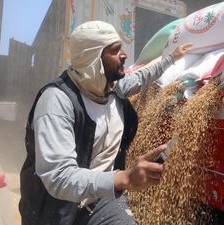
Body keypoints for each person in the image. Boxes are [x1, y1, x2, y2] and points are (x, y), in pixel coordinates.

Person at [19, 21, 191, 225]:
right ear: (93, 59)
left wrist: (171, 58)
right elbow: (59, 177)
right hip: (57, 209)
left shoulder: (112, 88)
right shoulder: (56, 102)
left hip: (101, 200)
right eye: (114, 50)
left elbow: (141, 77)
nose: (124, 55)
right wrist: (125, 178)